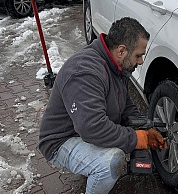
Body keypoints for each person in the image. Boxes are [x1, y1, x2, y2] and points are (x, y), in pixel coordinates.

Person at [38, 17, 166, 194]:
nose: (141, 61)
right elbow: (92, 128)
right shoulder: (84, 72)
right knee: (110, 162)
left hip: (83, 130)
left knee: (115, 145)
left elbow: (126, 106)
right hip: (61, 140)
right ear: (121, 50)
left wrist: (145, 128)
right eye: (138, 55)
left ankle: (90, 166)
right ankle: (94, 169)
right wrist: (137, 139)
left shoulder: (116, 66)